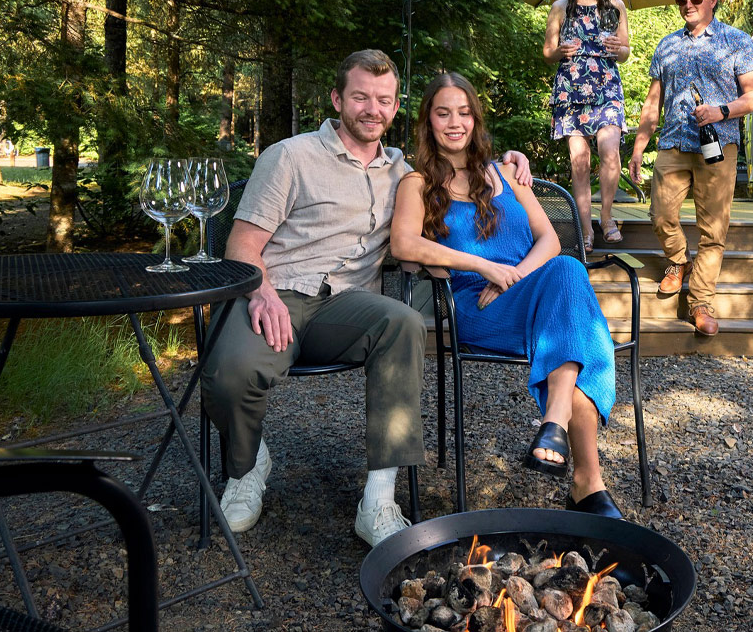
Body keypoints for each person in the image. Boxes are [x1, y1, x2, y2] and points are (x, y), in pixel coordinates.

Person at [201, 50, 531, 546]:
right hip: (277, 294)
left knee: (403, 322)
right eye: (360, 97)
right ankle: (248, 464)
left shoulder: (403, 171)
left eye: (383, 100)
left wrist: (507, 161)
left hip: (350, 308)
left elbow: (461, 158)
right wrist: (262, 293)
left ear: (396, 107)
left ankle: (379, 500)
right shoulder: (289, 156)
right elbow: (242, 246)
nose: (371, 109)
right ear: (337, 100)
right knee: (227, 377)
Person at [390, 72, 623, 519]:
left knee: (567, 277)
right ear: (428, 121)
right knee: (578, 316)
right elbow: (404, 244)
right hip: (476, 306)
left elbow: (549, 241)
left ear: (476, 120)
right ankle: (584, 481)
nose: (454, 122)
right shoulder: (416, 183)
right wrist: (484, 267)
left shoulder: (506, 172)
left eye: (464, 112)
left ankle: (566, 444)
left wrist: (512, 276)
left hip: (527, 290)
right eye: (443, 113)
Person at [629, 0, 753, 337]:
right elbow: (653, 103)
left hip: (717, 144)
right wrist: (639, 147)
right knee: (660, 214)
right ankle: (677, 261)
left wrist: (721, 110)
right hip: (673, 141)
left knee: (713, 230)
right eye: (682, 0)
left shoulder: (736, 41)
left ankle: (701, 303)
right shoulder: (666, 45)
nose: (688, 5)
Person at [543, 0, 631, 255]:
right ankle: (585, 229)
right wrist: (559, 52)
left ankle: (607, 218)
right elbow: (547, 52)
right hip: (571, 91)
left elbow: (625, 52)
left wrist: (616, 48)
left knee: (609, 151)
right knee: (579, 162)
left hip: (606, 89)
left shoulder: (615, 7)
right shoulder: (560, 7)